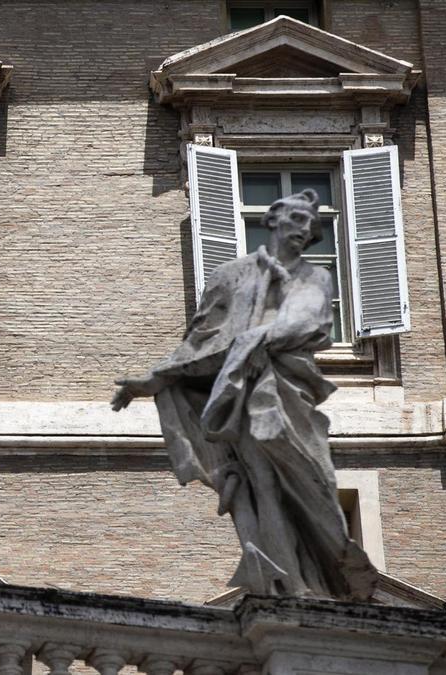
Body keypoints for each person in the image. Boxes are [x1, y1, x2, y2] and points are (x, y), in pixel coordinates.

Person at [111, 189, 377, 601]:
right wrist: (156, 379)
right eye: (297, 218)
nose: (304, 230)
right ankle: (289, 583)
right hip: (247, 398)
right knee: (262, 482)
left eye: (311, 224)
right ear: (271, 219)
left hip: (290, 392)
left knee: (316, 482)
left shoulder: (316, 278)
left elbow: (306, 323)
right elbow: (201, 343)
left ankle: (324, 571)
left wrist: (254, 338)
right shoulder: (230, 276)